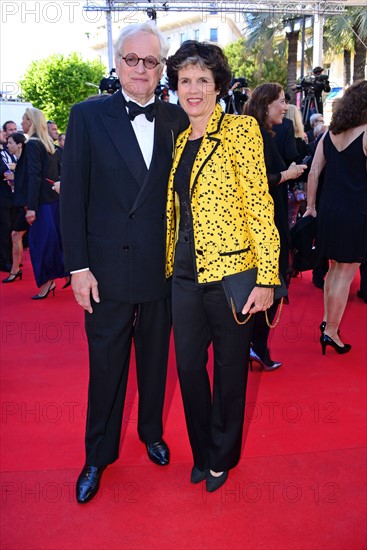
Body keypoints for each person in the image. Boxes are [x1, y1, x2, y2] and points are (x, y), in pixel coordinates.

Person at [60, 22, 189, 505]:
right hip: (106, 270)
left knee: (157, 360)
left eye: (151, 62)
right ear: (117, 63)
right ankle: (97, 454)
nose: (141, 69)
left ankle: (151, 431)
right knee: (107, 367)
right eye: (132, 60)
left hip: (162, 267)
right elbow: (73, 198)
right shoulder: (87, 116)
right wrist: (78, 267)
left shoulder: (178, 118)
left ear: (162, 68)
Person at [165, 41, 281, 492]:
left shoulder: (239, 132)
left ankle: (221, 456)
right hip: (184, 277)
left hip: (232, 277)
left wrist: (268, 277)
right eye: (185, 81)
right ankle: (201, 448)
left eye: (203, 81)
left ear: (218, 87)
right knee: (189, 369)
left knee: (231, 372)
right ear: (176, 87)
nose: (193, 90)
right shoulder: (177, 144)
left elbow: (260, 206)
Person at [244, 83, 307, 370]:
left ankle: (255, 346)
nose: (285, 107)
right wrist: (287, 174)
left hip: (271, 219)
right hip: (266, 224)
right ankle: (255, 346)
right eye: (281, 101)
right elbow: (255, 181)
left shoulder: (263, 133)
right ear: (266, 103)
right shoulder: (255, 134)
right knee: (269, 284)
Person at [304, 79, 367, 355]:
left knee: (333, 270)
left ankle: (327, 324)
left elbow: (314, 171)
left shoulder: (329, 134)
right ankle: (331, 332)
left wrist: (310, 206)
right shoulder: (366, 133)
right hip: (356, 212)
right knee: (346, 272)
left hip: (329, 210)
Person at [21, 108, 65, 299]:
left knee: (41, 244)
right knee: (55, 242)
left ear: (30, 122)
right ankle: (59, 277)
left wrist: (31, 207)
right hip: (54, 202)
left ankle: (47, 283)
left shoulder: (32, 144)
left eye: (24, 119)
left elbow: (34, 177)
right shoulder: (49, 145)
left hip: (41, 204)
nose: (22, 123)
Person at [2, 132, 28, 283]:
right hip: (23, 205)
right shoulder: (19, 160)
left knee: (15, 235)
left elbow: (29, 180)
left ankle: (15, 270)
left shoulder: (23, 161)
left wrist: (15, 176)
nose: (8, 145)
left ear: (19, 144)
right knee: (16, 235)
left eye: (10, 142)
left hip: (27, 206)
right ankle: (15, 269)